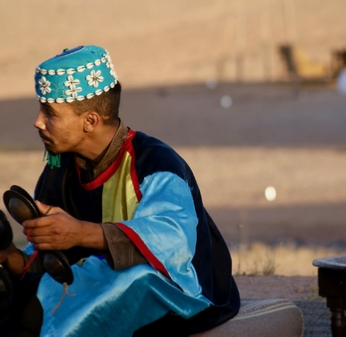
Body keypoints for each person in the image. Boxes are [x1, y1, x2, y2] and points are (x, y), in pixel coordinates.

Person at [0, 45, 240, 336]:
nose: (37, 121)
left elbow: (173, 243)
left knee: (129, 279)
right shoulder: (60, 168)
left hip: (184, 294)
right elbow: (57, 257)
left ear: (90, 120)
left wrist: (79, 232)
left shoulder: (156, 164)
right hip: (92, 278)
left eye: (50, 112)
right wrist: (12, 257)